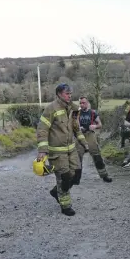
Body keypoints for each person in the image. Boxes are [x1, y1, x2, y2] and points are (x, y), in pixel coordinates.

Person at [36, 83, 88, 216]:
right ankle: (65, 205)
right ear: (59, 94)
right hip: (57, 153)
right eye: (67, 93)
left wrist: (84, 143)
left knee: (75, 175)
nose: (69, 96)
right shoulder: (51, 109)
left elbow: (76, 128)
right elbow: (42, 129)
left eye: (70, 93)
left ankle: (56, 192)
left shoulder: (74, 109)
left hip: (71, 150)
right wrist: (42, 150)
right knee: (64, 178)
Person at [76, 97, 112, 183]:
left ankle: (104, 176)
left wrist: (95, 126)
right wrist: (78, 127)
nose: (82, 104)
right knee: (77, 157)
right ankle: (76, 178)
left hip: (90, 135)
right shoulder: (77, 113)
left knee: (97, 156)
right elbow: (73, 124)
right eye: (80, 103)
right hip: (79, 135)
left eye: (83, 103)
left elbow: (100, 124)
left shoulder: (92, 113)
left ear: (87, 103)